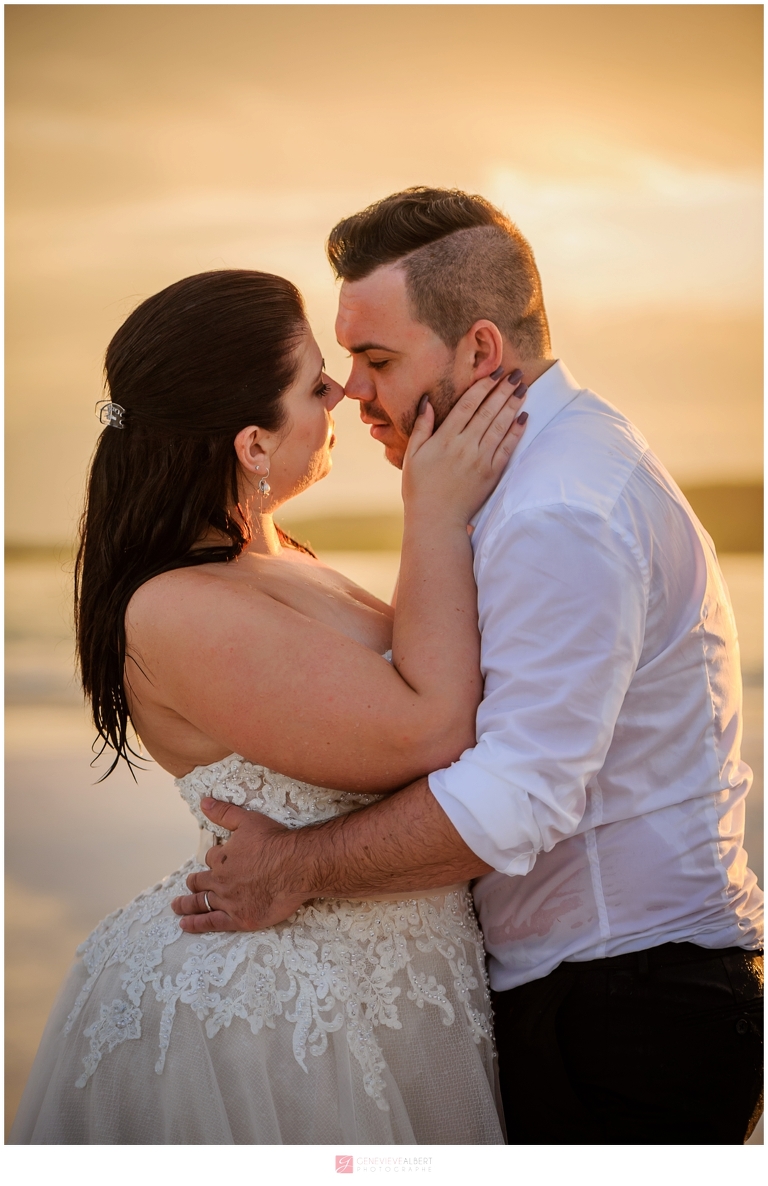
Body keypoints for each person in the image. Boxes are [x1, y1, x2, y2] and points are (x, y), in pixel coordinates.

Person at [174, 188, 764, 1144]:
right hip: (608, 997)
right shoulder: (528, 475)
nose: (353, 392)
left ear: (481, 351)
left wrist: (295, 868)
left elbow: (518, 794)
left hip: (624, 1011)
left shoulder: (558, 509)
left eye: (377, 361)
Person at [11, 268, 530, 1145]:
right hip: (280, 1017)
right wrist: (433, 513)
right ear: (253, 443)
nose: (344, 393)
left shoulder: (278, 557)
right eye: (315, 385)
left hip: (393, 986)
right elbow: (432, 729)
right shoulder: (176, 605)